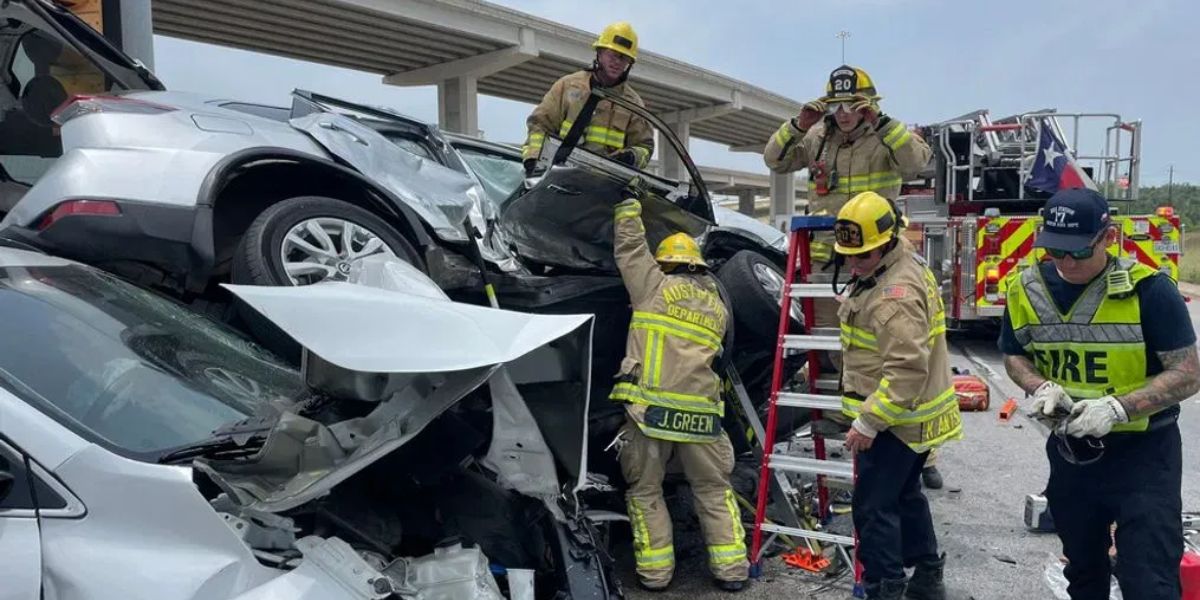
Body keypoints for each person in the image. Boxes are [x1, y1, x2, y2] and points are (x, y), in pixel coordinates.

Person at [1000, 187, 1197, 599]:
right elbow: (1014, 355)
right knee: (1083, 571)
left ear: (1108, 237)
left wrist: (1119, 408)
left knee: (1149, 580)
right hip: (1073, 454)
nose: (1067, 263)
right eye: (1056, 252)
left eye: (1078, 252)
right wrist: (1040, 386)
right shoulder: (1026, 288)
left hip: (1145, 455)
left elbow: (1189, 372)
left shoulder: (1150, 290)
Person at [608, 191, 748, 592]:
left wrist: (627, 204)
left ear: (666, 264)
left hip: (649, 416)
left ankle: (655, 576)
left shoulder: (652, 288)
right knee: (713, 490)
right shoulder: (717, 309)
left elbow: (631, 249)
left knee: (646, 492)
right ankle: (732, 570)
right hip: (703, 418)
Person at [762, 65, 932, 377]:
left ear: (868, 105)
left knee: (883, 334)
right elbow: (775, 160)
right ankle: (836, 417)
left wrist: (881, 125)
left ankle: (878, 408)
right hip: (828, 260)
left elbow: (915, 164)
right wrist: (798, 126)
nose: (842, 113)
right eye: (836, 105)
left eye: (851, 105)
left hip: (880, 257)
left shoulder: (889, 134)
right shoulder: (817, 138)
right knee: (831, 342)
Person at [835, 191, 962, 600]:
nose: (853, 264)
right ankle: (927, 578)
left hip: (895, 420)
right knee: (906, 497)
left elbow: (906, 369)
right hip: (916, 419)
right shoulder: (904, 262)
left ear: (886, 242)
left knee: (873, 509)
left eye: (863, 256)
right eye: (849, 257)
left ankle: (883, 587)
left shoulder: (895, 296)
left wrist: (869, 422)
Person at [522, 21, 654, 175]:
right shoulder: (567, 86)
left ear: (629, 64)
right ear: (599, 53)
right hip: (558, 175)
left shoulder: (633, 104)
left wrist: (632, 157)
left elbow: (645, 147)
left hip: (605, 184)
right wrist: (534, 160)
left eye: (623, 58)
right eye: (612, 55)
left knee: (633, 201)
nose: (617, 62)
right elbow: (540, 125)